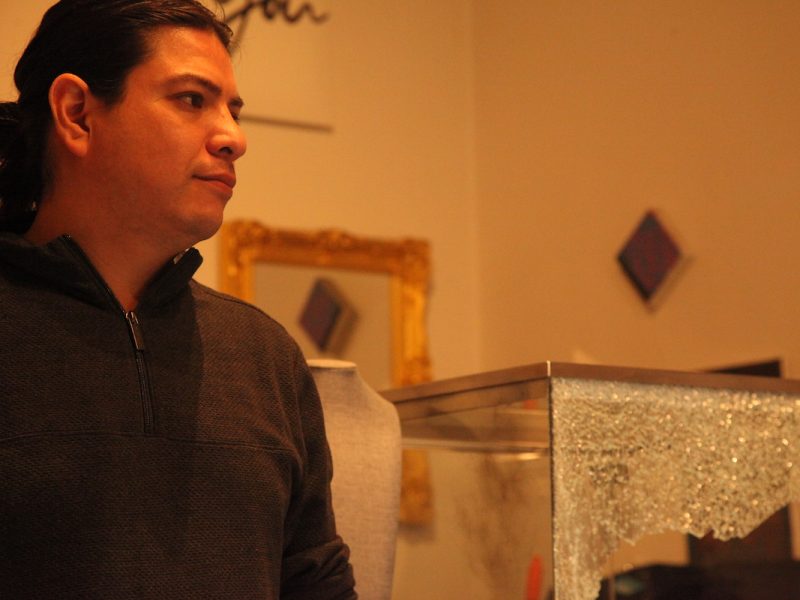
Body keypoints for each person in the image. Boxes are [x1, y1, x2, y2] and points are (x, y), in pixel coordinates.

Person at [0, 1, 356, 598]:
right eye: (192, 99)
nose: (234, 139)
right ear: (77, 114)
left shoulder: (265, 356)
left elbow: (315, 581)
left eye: (233, 111)